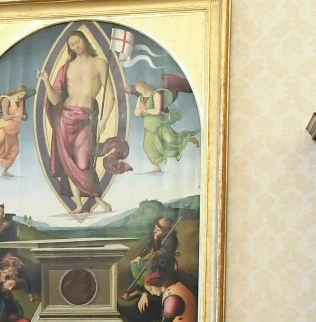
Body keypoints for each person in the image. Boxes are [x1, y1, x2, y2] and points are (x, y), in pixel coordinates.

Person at [38, 30, 119, 213]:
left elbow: (111, 96)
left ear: (85, 41)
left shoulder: (99, 63)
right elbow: (55, 99)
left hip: (86, 118)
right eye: (72, 45)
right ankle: (79, 204)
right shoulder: (66, 67)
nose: (76, 46)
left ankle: (97, 199)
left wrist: (104, 120)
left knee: (83, 162)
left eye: (78, 42)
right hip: (64, 117)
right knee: (69, 162)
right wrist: (46, 82)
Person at [131, 81, 199, 172]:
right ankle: (157, 167)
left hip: (159, 124)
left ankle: (189, 139)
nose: (141, 92)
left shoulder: (156, 95)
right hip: (148, 126)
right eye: (139, 90)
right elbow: (136, 113)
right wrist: (140, 110)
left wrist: (145, 110)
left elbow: (157, 111)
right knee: (148, 147)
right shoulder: (140, 98)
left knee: (171, 139)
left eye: (142, 89)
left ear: (146, 86)